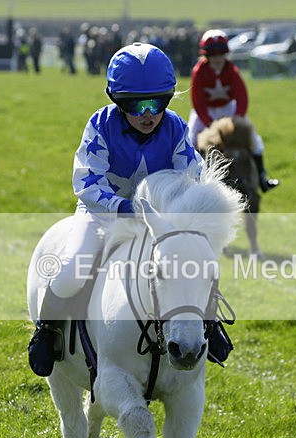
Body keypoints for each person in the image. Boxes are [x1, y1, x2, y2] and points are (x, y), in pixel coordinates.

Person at [28, 42, 232, 376]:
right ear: (117, 101)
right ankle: (46, 331)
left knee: (195, 263)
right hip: (102, 215)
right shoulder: (100, 125)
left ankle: (209, 322)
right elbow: (88, 184)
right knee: (70, 272)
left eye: (158, 102)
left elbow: (192, 177)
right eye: (135, 105)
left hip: (158, 222)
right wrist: (123, 207)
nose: (148, 113)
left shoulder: (177, 128)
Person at [188, 29, 278, 192]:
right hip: (205, 111)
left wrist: (237, 119)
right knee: (191, 138)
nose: (217, 58)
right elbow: (197, 101)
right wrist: (210, 124)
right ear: (206, 55)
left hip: (228, 109)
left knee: (255, 139)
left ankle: (262, 178)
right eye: (213, 54)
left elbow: (241, 96)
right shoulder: (199, 71)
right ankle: (190, 179)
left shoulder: (231, 70)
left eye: (221, 53)